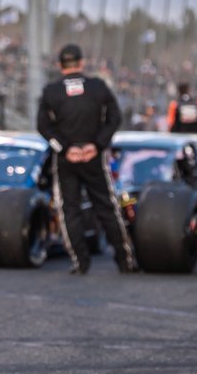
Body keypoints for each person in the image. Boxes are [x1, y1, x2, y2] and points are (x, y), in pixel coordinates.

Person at [37, 43, 138, 275]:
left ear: (60, 65)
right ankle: (125, 261)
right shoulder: (98, 86)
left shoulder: (51, 91)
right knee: (107, 207)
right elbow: (115, 117)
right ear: (81, 63)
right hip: (94, 157)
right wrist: (97, 145)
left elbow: (43, 126)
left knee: (69, 209)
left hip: (66, 161)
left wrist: (64, 149)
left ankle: (81, 263)